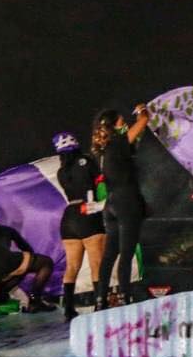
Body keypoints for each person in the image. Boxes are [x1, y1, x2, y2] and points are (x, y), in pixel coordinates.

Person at [92, 106, 149, 308]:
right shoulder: (117, 143)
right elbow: (143, 123)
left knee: (109, 255)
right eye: (121, 120)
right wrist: (143, 112)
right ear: (115, 124)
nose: (124, 122)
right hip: (127, 201)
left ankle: (100, 299)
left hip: (111, 204)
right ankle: (124, 297)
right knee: (126, 252)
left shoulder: (104, 149)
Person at [53, 131, 105, 319]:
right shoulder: (87, 161)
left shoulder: (61, 172)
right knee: (97, 263)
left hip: (69, 216)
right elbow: (101, 184)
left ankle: (68, 308)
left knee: (72, 266)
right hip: (88, 212)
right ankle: (101, 304)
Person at [0, 218, 55, 314]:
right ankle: (35, 300)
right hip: (3, 262)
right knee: (46, 263)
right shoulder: (6, 230)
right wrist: (27, 262)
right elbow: (26, 248)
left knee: (17, 270)